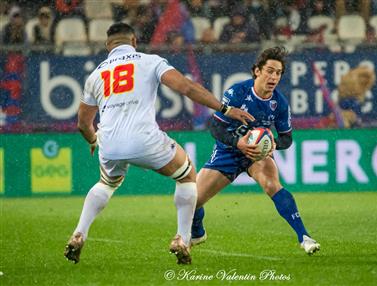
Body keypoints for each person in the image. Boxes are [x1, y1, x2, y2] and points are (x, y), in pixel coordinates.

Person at [64, 22, 254, 265]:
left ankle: (79, 233)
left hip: (109, 142)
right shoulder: (148, 60)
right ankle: (182, 240)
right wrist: (224, 108)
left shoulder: (95, 75)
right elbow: (186, 87)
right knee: (187, 175)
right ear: (133, 41)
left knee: (106, 183)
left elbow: (83, 123)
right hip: (144, 139)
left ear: (107, 46)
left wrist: (93, 139)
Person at [190, 46, 321, 255]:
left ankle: (304, 237)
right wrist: (238, 142)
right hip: (228, 151)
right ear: (257, 71)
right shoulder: (237, 93)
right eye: (269, 70)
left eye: (278, 73)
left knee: (272, 185)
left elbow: (287, 138)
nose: (274, 77)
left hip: (257, 155)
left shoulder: (280, 104)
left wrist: (273, 145)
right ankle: (197, 233)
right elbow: (215, 127)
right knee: (192, 200)